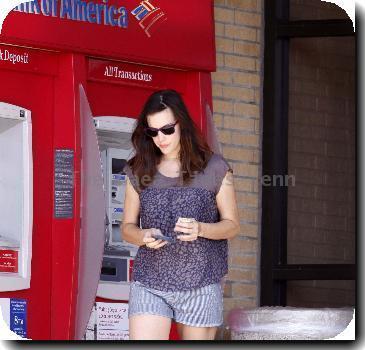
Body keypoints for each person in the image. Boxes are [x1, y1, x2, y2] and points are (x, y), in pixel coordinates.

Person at [121, 89, 240, 340]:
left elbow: (231, 225)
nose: (160, 138)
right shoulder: (139, 169)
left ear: (182, 124)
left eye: (166, 130)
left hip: (201, 280)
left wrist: (201, 229)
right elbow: (127, 228)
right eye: (152, 132)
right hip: (150, 280)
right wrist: (143, 235)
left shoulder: (215, 167)